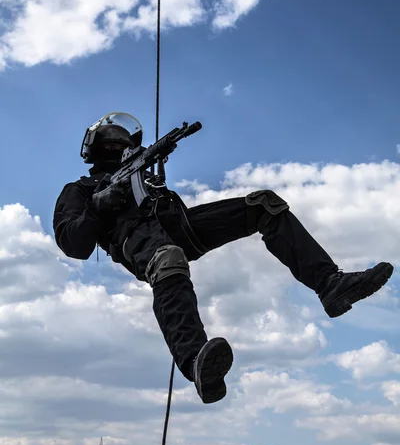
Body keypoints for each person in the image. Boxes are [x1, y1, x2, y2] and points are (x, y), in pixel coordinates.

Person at [53, 113, 394, 404]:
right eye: (110, 142)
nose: (117, 147)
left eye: (122, 142)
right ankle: (196, 362)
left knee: (263, 204)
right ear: (95, 147)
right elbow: (73, 243)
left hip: (177, 224)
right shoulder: (79, 190)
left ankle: (329, 285)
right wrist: (99, 204)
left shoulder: (139, 173)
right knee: (168, 259)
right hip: (135, 238)